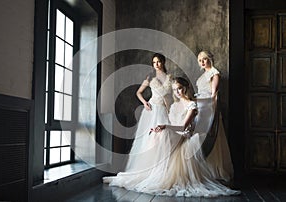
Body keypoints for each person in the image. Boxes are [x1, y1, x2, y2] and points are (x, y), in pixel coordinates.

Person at [104, 77, 240, 197]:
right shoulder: (174, 105)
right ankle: (155, 170)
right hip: (173, 134)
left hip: (183, 136)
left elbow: (182, 127)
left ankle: (160, 170)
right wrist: (160, 127)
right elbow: (171, 124)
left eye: (180, 89)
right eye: (175, 90)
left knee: (163, 132)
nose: (177, 92)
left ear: (185, 88)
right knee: (157, 134)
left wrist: (165, 127)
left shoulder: (192, 105)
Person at [103, 53, 174, 185]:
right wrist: (145, 103)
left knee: (164, 139)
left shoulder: (170, 77)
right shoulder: (151, 76)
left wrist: (174, 109)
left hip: (164, 110)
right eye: (154, 62)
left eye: (159, 61)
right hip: (153, 110)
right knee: (149, 140)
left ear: (163, 62)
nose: (156, 64)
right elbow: (138, 92)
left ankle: (164, 169)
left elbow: (172, 94)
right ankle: (148, 168)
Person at [196, 50, 235, 183]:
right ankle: (201, 168)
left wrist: (209, 109)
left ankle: (212, 170)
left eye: (204, 59)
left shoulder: (214, 73)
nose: (202, 62)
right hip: (200, 104)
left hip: (207, 106)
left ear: (210, 59)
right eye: (200, 60)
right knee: (199, 137)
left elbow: (213, 95)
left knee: (208, 136)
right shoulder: (204, 74)